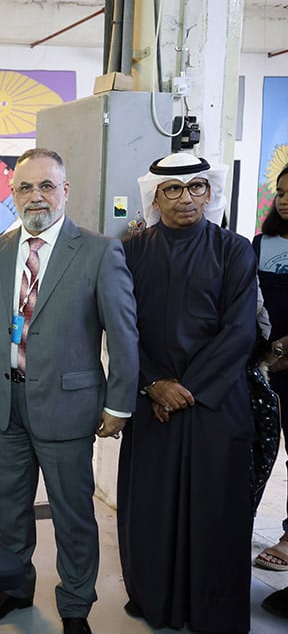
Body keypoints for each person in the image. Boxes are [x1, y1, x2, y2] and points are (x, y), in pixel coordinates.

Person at [0, 148, 137, 634]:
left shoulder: (100, 251)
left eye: (45, 186)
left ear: (65, 191)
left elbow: (123, 334)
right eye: (24, 187)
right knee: (12, 508)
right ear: (12, 194)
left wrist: (118, 402)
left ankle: (76, 603)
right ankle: (15, 587)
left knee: (72, 513)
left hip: (69, 405)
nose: (34, 196)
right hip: (6, 403)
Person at [117, 152, 256, 634]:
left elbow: (240, 331)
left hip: (215, 401)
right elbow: (121, 329)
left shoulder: (234, 249)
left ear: (210, 193)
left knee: (214, 510)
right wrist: (153, 383)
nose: (186, 198)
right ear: (154, 197)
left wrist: (185, 389)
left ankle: (210, 606)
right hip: (151, 398)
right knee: (152, 507)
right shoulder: (130, 251)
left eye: (197, 187)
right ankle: (153, 597)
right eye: (173, 190)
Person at [254, 163, 288, 574]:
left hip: (281, 357)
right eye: (281, 191)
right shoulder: (262, 243)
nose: (285, 198)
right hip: (262, 365)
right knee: (257, 452)